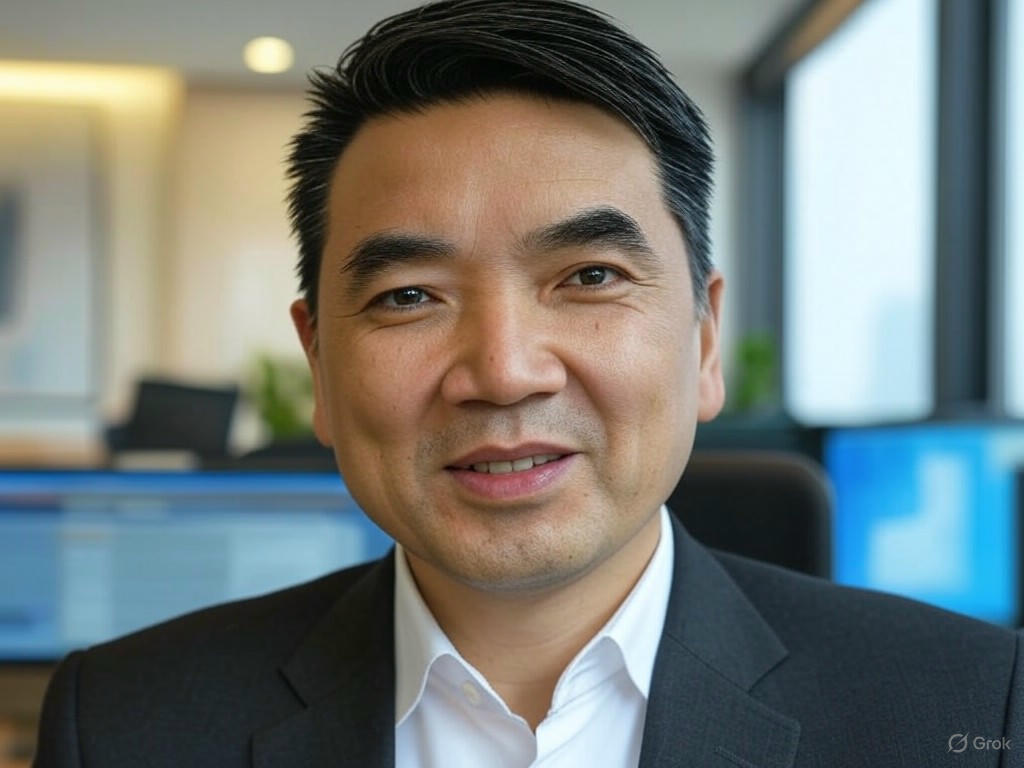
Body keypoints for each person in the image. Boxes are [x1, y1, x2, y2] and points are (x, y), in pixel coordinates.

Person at [34, 1, 1023, 766]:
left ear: (704, 340)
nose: (504, 372)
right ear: (319, 365)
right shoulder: (121, 724)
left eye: (589, 277)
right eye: (409, 296)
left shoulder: (973, 708)